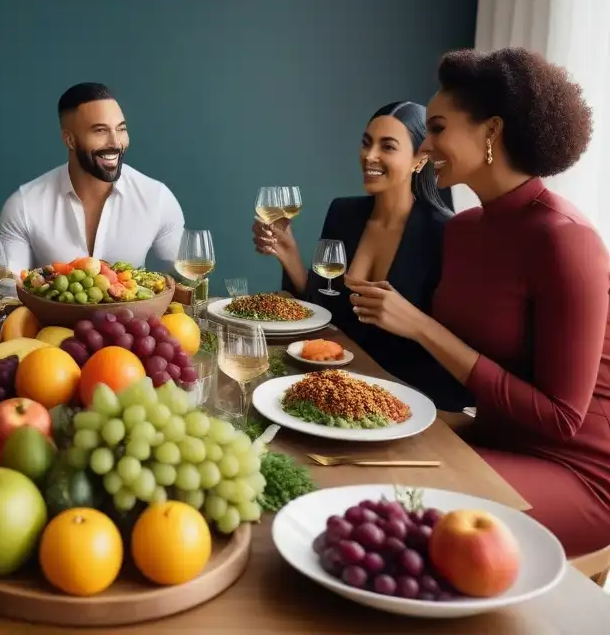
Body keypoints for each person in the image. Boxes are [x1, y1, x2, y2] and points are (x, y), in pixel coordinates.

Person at [347, 47, 610, 557]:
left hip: (576, 470)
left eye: (439, 128)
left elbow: (561, 418)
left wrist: (421, 327)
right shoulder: (464, 230)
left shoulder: (566, 240)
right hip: (491, 435)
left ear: (491, 131)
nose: (428, 143)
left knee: (394, 516)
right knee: (345, 461)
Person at [252, 102, 471, 410]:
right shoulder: (343, 213)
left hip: (406, 401)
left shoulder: (446, 233)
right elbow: (322, 311)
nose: (370, 156)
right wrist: (290, 256)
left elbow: (451, 353)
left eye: (388, 146)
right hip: (331, 385)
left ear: (420, 159)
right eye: (366, 143)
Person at [0, 82, 184, 274]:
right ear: (70, 140)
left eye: (121, 129)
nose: (115, 143)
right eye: (100, 131)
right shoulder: (24, 204)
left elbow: (185, 279)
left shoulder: (157, 198)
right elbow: (8, 289)